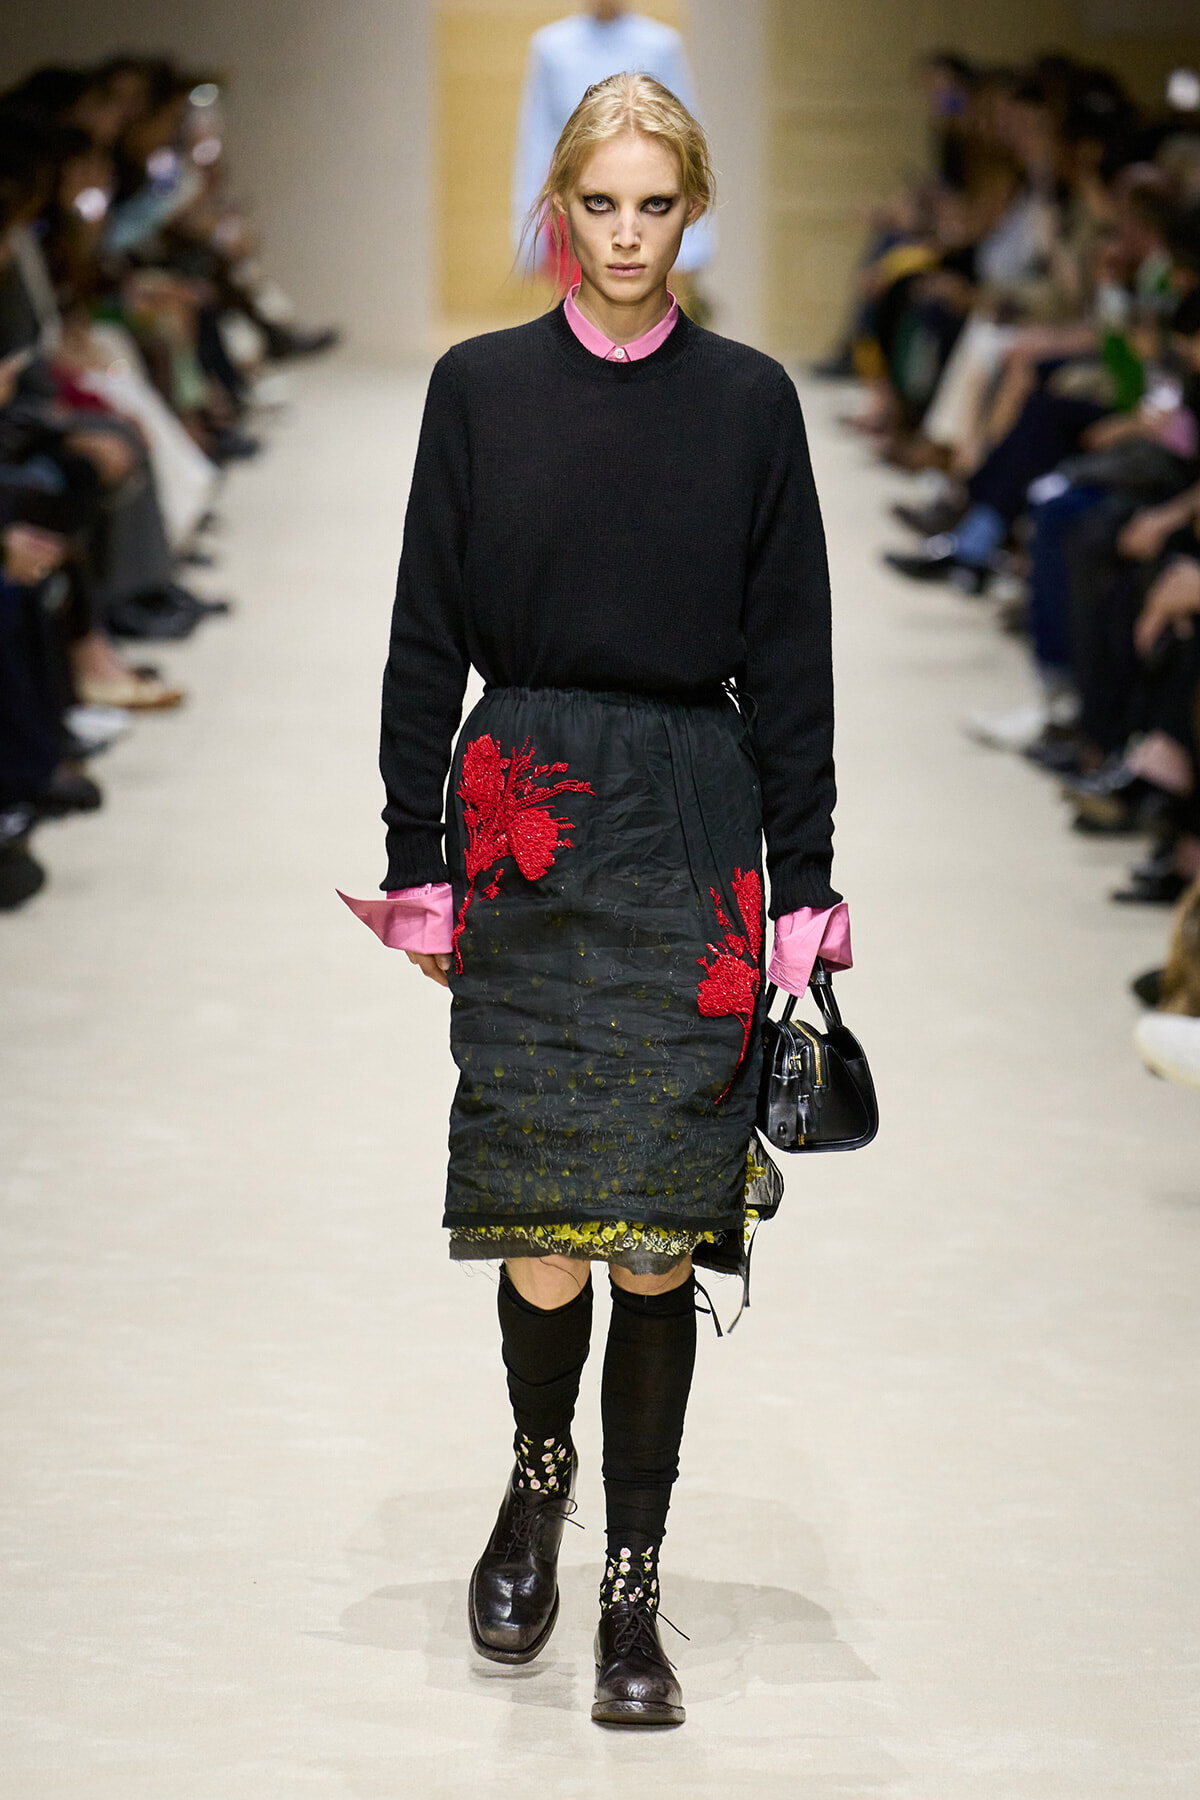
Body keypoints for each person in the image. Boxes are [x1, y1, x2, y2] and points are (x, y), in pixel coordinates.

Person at [342, 72, 851, 1727]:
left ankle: (633, 1582)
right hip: (527, 818)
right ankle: (536, 1478)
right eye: (599, 202)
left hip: (692, 826)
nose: (626, 236)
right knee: (544, 1225)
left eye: (655, 205)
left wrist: (805, 888)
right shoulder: (480, 390)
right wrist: (419, 864)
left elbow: (792, 660)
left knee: (653, 1240)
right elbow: (425, 629)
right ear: (557, 206)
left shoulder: (750, 403)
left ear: (692, 210)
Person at [512, 5, 712, 285]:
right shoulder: (551, 47)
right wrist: (528, 239)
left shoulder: (661, 45)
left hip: (648, 203)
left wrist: (693, 243)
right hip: (577, 202)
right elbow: (536, 144)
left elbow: (686, 140)